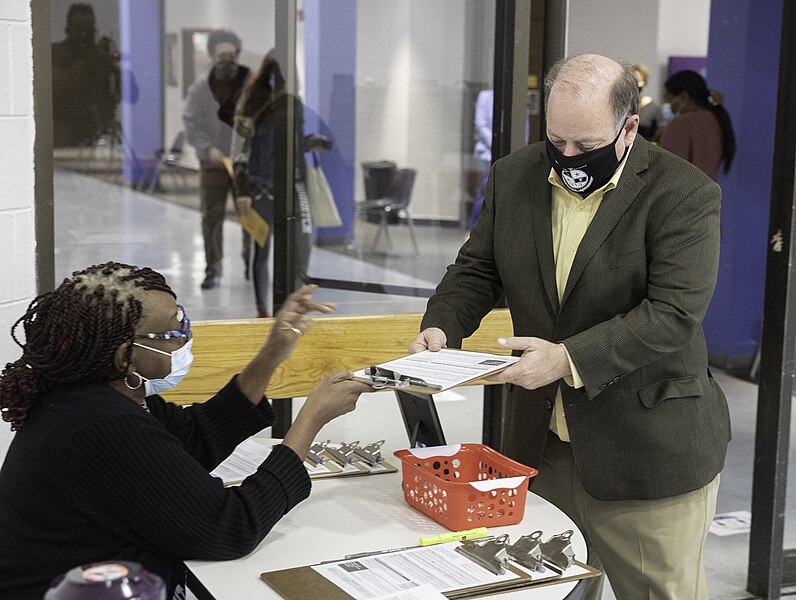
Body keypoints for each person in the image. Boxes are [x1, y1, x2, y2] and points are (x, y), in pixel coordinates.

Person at [410, 54, 731, 600]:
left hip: (646, 456)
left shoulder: (683, 194)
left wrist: (566, 359)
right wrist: (443, 327)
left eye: (585, 146)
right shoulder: (516, 174)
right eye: (556, 141)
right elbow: (479, 267)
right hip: (545, 449)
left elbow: (673, 314)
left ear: (629, 128)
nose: (567, 157)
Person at [0, 262, 371, 600]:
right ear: (124, 356)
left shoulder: (106, 393)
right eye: (173, 333)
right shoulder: (102, 424)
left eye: (183, 322)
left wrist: (271, 353)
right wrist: (310, 421)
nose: (185, 338)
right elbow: (229, 527)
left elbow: (192, 440)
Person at [231, 52, 325, 318]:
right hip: (261, 187)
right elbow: (239, 149)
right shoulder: (252, 103)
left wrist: (311, 143)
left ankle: (295, 304)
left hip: (294, 185)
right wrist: (242, 190)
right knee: (262, 251)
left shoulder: (294, 103)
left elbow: (293, 142)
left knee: (303, 245)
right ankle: (264, 310)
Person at [183, 30, 251, 290]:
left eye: (231, 55)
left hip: (244, 166)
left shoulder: (250, 84)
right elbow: (192, 122)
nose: (227, 59)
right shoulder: (201, 88)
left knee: (249, 218)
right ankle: (212, 269)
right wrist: (206, 148)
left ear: (238, 55)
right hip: (213, 166)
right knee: (211, 219)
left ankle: (251, 265)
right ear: (213, 56)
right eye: (222, 55)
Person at [51, 3, 120, 148]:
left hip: (96, 128)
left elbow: (124, 92)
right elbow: (62, 85)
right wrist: (92, 60)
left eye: (88, 31)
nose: (83, 36)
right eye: (79, 30)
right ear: (68, 30)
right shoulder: (56, 53)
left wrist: (112, 64)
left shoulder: (99, 57)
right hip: (65, 129)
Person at [659, 69, 736, 180]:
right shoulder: (716, 119)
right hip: (708, 194)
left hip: (682, 195)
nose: (668, 105)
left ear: (684, 97)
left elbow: (668, 171)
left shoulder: (681, 123)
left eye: (668, 98)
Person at [632, 63, 664, 141]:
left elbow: (660, 130)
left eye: (639, 81)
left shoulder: (653, 107)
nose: (637, 86)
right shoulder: (622, 105)